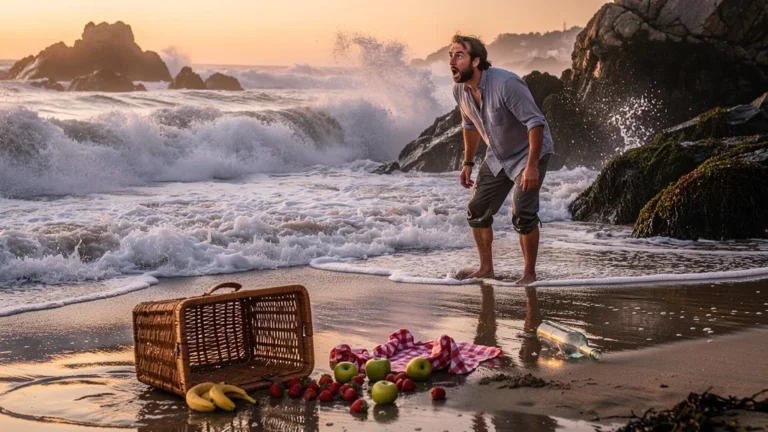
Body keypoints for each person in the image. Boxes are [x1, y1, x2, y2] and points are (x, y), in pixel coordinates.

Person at [449, 34, 554, 285]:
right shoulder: (459, 91)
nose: (452, 61)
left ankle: (529, 274)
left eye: (459, 55)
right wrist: (467, 163)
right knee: (477, 210)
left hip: (529, 152)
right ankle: (486, 269)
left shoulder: (506, 84)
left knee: (523, 213)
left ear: (476, 61)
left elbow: (535, 123)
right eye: (450, 55)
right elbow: (470, 126)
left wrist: (531, 167)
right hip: (498, 154)